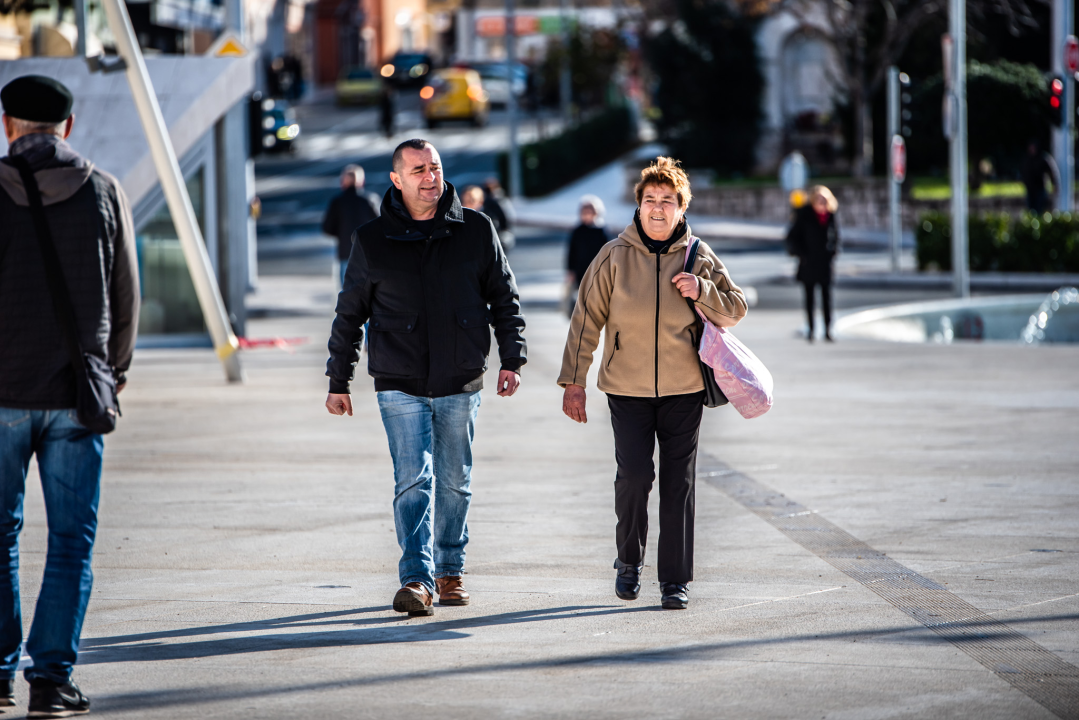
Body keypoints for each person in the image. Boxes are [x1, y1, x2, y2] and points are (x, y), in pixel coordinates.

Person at [325, 139, 526, 617]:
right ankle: (416, 578)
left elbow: (504, 296)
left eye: (433, 167)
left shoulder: (476, 230)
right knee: (413, 479)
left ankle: (449, 569)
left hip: (461, 379)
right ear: (396, 179)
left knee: (455, 481)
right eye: (417, 170)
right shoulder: (371, 239)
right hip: (399, 379)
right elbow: (349, 314)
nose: (428, 176)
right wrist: (339, 380)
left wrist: (512, 359)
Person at [0, 75, 139, 717]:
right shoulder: (103, 191)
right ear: (69, 127)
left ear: (7, 126)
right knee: (69, 540)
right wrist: (113, 374)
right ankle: (50, 681)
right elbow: (126, 295)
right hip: (76, 395)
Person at [558, 157, 747, 610]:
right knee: (636, 476)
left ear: (682, 208)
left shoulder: (699, 256)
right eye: (649, 200)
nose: (657, 209)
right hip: (626, 389)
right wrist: (574, 381)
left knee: (678, 483)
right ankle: (629, 561)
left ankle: (675, 580)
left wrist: (701, 291)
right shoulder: (614, 256)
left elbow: (736, 309)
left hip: (685, 389)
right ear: (639, 206)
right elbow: (586, 319)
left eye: (667, 201)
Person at [786, 185, 839, 342]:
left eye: (824, 199)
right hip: (808, 262)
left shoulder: (830, 215)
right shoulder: (804, 214)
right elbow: (792, 237)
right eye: (818, 199)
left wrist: (833, 251)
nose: (821, 202)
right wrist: (801, 254)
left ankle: (828, 330)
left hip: (824, 262)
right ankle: (811, 329)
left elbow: (836, 235)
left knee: (827, 297)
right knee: (809, 298)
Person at [321, 165, 379, 288]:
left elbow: (327, 228)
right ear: (361, 181)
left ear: (343, 182)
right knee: (368, 295)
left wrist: (342, 234)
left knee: (348, 297)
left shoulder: (338, 202)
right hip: (367, 256)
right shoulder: (370, 200)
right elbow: (381, 226)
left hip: (345, 254)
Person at [564, 195, 609, 317]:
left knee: (596, 292)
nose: (587, 215)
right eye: (585, 212)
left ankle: (595, 313)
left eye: (590, 212)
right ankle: (580, 314)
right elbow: (571, 251)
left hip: (596, 268)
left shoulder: (601, 231)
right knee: (581, 293)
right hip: (580, 269)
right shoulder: (577, 231)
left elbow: (607, 251)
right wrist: (570, 271)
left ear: (596, 213)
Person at [1021, 141, 1059, 214]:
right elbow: (1024, 172)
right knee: (1031, 210)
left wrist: (1055, 184)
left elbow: (1052, 172)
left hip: (1040, 188)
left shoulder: (1043, 158)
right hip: (1030, 189)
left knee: (1040, 209)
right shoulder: (1028, 159)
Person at [482, 177, 515, 251]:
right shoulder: (488, 201)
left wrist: (505, 231)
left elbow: (507, 217)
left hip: (500, 234)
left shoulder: (500, 200)